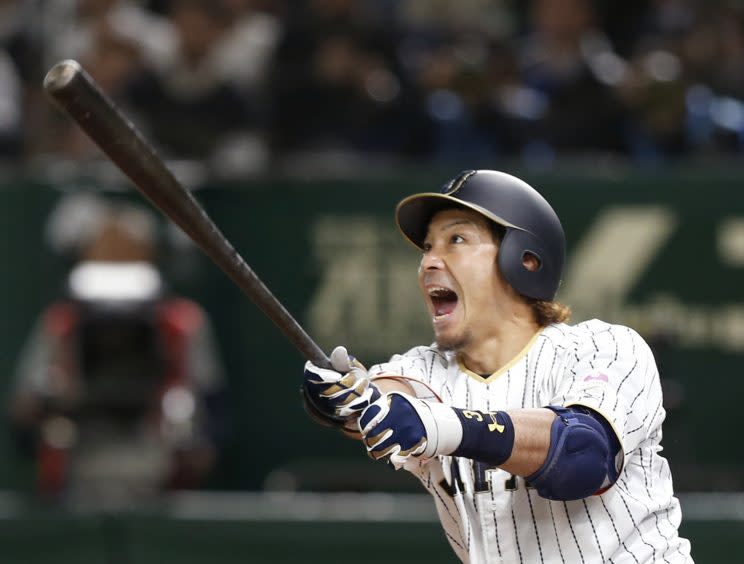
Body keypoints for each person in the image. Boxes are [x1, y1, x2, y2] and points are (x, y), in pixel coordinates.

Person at [302, 170, 693, 563]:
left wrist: (439, 424)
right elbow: (389, 396)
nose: (428, 263)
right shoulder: (427, 370)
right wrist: (350, 401)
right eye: (426, 247)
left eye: (457, 240)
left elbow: (583, 457)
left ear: (525, 259)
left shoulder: (603, 347)